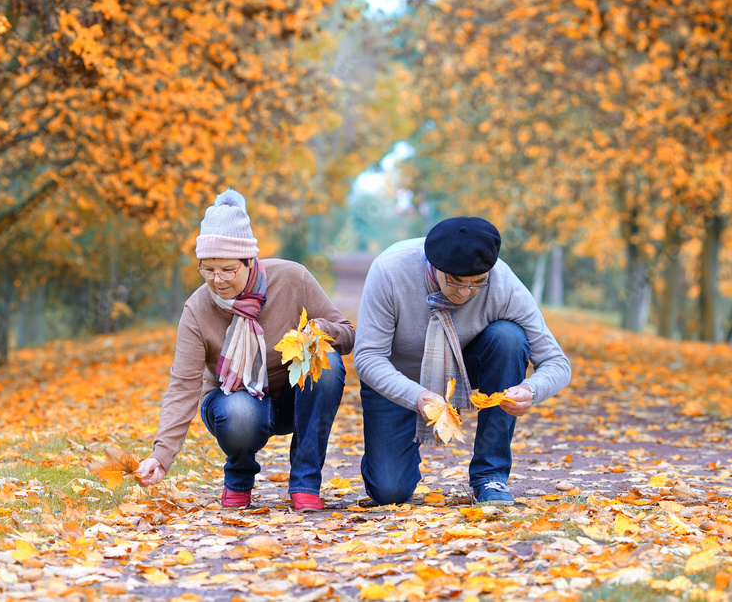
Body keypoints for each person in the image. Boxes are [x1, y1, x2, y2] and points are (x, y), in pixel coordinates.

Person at [137, 188, 355, 511]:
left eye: (227, 269)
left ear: (249, 260)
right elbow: (183, 385)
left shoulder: (292, 279)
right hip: (235, 403)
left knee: (329, 365)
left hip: (295, 397)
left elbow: (348, 335)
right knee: (239, 413)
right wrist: (161, 454)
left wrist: (323, 330)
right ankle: (238, 476)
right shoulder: (198, 308)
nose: (217, 280)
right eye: (207, 269)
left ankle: (306, 482)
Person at [354, 217, 571, 505]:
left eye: (477, 284)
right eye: (456, 283)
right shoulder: (391, 270)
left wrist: (532, 390)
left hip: (465, 372)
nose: (465, 293)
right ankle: (388, 447)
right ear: (434, 266)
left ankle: (490, 474)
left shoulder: (503, 282)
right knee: (390, 491)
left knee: (509, 338)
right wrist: (417, 395)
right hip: (398, 378)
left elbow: (557, 363)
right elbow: (368, 358)